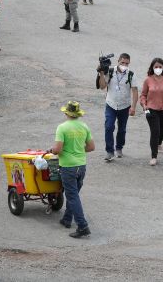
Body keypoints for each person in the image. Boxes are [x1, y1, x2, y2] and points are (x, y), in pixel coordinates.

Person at [47, 101, 95, 239]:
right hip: (82, 166)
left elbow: (57, 150)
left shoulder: (62, 128)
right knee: (74, 194)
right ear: (78, 113)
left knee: (72, 196)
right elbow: (91, 147)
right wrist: (79, 150)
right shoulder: (84, 126)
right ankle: (67, 219)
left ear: (66, 113)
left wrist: (52, 150)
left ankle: (82, 226)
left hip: (68, 167)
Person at [97, 53, 139, 161]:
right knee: (109, 127)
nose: (124, 65)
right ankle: (109, 151)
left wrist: (133, 107)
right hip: (111, 104)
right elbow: (102, 86)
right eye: (122, 62)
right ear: (118, 61)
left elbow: (135, 91)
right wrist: (101, 73)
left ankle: (119, 147)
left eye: (126, 63)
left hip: (124, 106)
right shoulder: (110, 72)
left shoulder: (131, 75)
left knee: (122, 129)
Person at [140, 58, 163, 166]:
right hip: (150, 109)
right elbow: (143, 95)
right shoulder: (148, 80)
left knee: (162, 130)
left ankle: (159, 143)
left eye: (160, 67)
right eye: (156, 67)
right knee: (155, 131)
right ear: (152, 67)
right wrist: (144, 104)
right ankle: (154, 156)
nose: (158, 69)